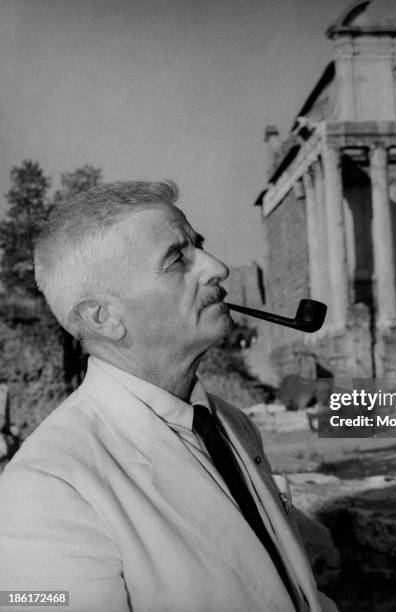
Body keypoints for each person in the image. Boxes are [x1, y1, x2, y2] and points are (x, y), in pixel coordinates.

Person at [0, 181, 337, 612]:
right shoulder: (48, 488)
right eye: (177, 258)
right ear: (104, 317)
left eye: (200, 246)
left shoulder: (231, 424)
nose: (217, 267)